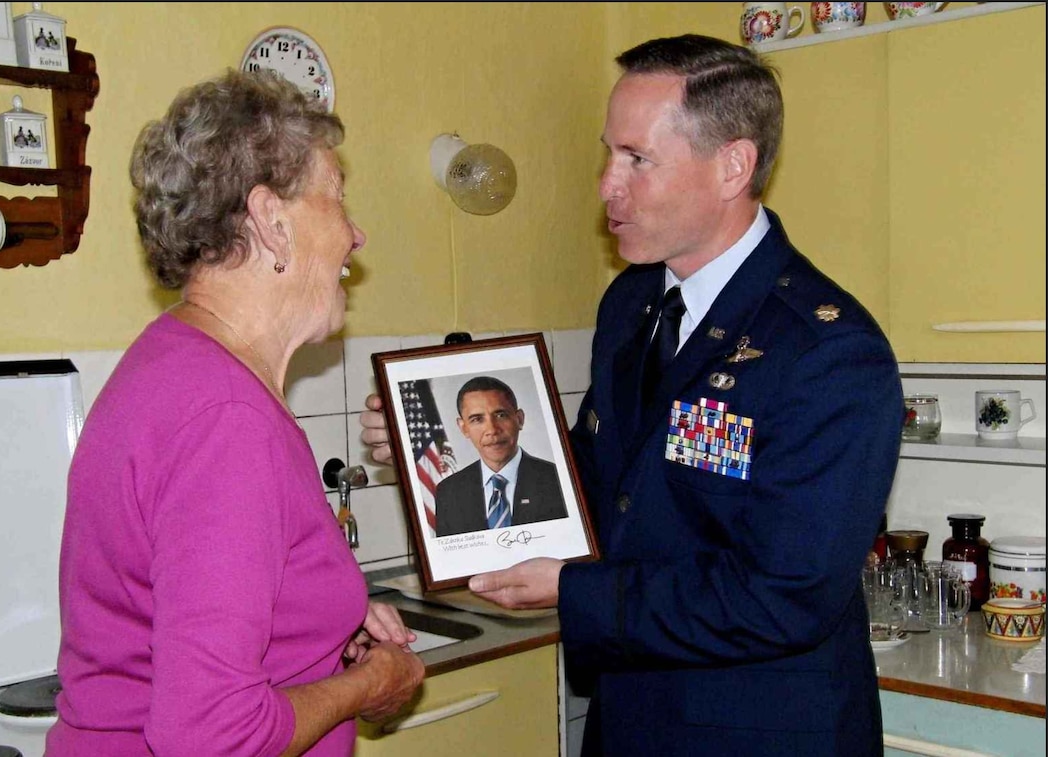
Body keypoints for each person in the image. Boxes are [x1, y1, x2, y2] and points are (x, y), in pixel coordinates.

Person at [363, 34, 902, 756]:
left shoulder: (827, 350)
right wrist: (422, 449)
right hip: (631, 718)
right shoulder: (632, 305)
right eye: (607, 155)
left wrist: (574, 592)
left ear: (732, 166)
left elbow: (785, 594)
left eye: (637, 160)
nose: (605, 186)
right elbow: (591, 485)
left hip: (758, 733)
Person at [47, 69, 424, 757]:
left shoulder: (173, 365)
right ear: (271, 222)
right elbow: (210, 734)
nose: (356, 234)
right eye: (336, 199)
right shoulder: (227, 421)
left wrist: (324, 623)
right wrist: (366, 686)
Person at [433, 375, 568, 537]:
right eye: (477, 419)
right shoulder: (448, 491)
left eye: (500, 415)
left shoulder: (559, 480)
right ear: (464, 428)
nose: (492, 430)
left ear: (519, 419)